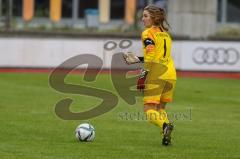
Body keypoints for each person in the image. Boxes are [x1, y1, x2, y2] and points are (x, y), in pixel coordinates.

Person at [137, 5, 177, 146]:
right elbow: (158, 55)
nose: (142, 19)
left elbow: (151, 55)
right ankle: (166, 135)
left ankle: (165, 126)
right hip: (170, 74)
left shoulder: (148, 33)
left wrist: (142, 76)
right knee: (161, 108)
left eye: (146, 16)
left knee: (149, 110)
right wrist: (137, 58)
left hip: (157, 75)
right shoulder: (166, 34)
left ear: (155, 18)